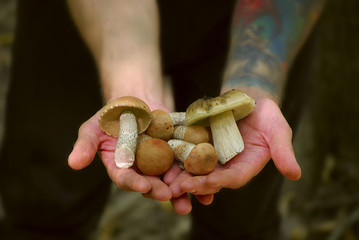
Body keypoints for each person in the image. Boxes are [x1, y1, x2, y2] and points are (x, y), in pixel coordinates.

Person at [0, 0, 325, 239]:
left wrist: (256, 79)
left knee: (241, 222)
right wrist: (130, 81)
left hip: (257, 23)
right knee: (45, 205)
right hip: (89, 16)